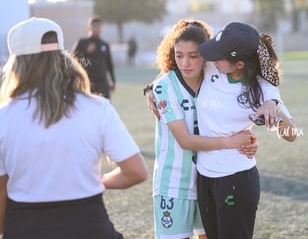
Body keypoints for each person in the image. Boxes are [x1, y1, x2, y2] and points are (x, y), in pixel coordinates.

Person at [0, 17, 148, 239]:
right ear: (62, 58)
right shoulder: (98, 108)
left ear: (17, 63)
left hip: (26, 228)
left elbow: (2, 189)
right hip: (90, 226)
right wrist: (100, 181)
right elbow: (136, 171)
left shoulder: (4, 116)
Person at [147, 19, 258, 239]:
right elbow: (185, 141)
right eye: (179, 55)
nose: (185, 63)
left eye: (193, 56)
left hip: (207, 182)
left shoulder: (214, 73)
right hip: (174, 184)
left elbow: (249, 88)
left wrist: (249, 135)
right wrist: (232, 141)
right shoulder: (165, 86)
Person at [195, 22, 297, 239]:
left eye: (219, 56)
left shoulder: (262, 90)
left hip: (236, 179)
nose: (212, 59)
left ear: (239, 64)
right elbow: (175, 69)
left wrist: (275, 107)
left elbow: (292, 135)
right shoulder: (211, 66)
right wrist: (149, 90)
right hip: (204, 177)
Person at [72, 16, 116, 99]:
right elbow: (72, 61)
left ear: (101, 28)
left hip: (103, 83)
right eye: (94, 26)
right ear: (89, 27)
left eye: (98, 26)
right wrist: (86, 53)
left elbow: (109, 64)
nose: (96, 28)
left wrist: (113, 81)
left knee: (105, 108)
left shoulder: (105, 45)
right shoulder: (82, 42)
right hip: (86, 83)